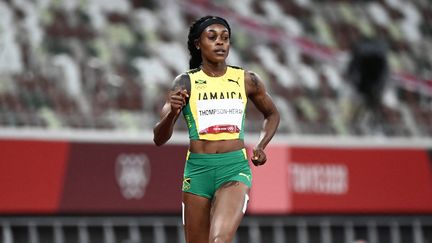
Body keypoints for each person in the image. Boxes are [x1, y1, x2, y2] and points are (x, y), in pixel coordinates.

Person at [153, 15, 280, 243]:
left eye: (225, 38)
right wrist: (172, 113)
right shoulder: (185, 83)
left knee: (219, 240)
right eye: (212, 37)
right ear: (198, 44)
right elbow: (159, 138)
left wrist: (261, 144)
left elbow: (272, 114)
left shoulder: (246, 79)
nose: (220, 42)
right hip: (197, 172)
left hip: (233, 169)